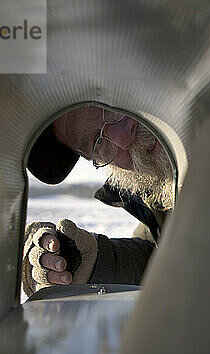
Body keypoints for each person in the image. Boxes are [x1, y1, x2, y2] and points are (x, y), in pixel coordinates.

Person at [22, 105, 175, 297]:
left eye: (109, 108)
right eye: (98, 142)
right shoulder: (160, 197)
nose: (122, 139)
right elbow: (159, 256)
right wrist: (88, 263)